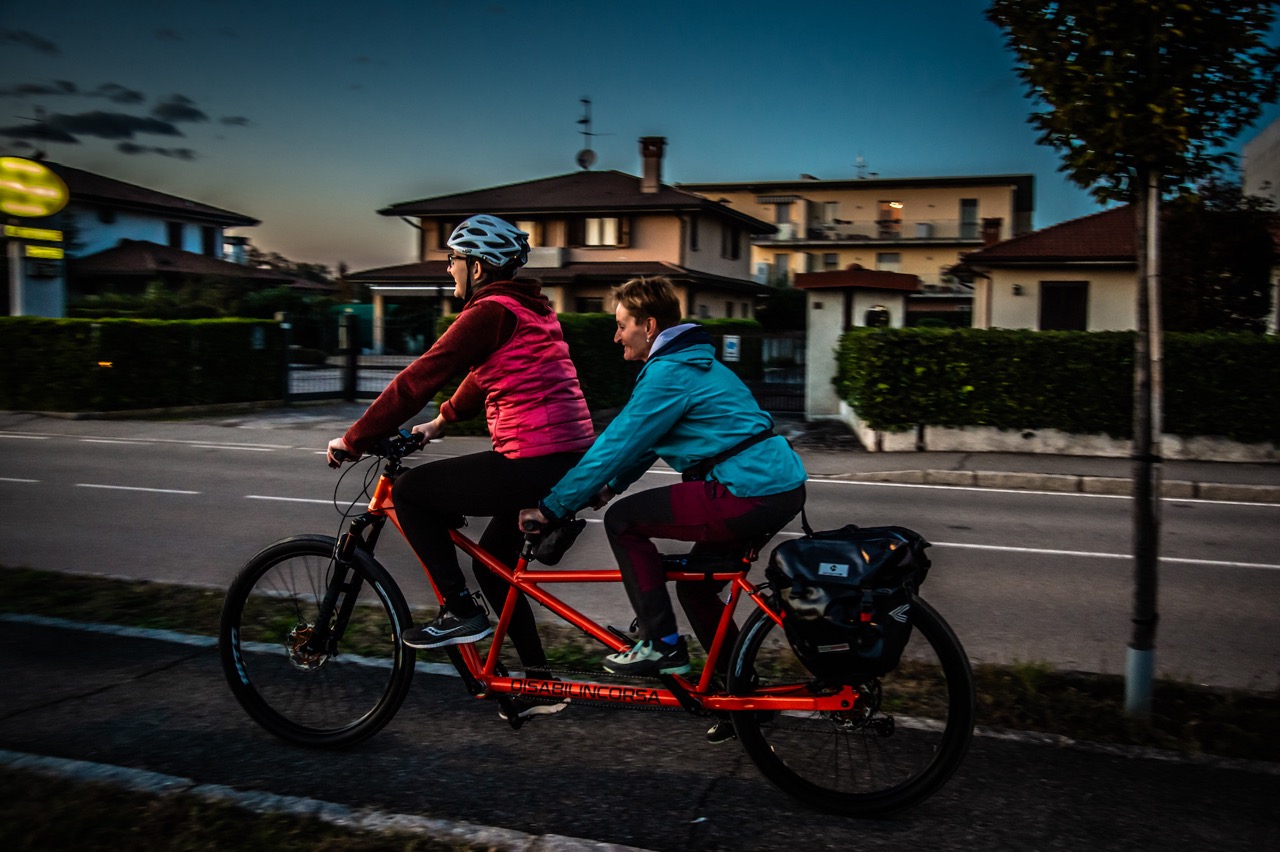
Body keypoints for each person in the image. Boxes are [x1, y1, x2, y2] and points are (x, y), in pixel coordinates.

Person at [327, 214, 594, 704]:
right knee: (494, 565)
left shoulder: (488, 311)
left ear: (477, 266)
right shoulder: (530, 307)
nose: (449, 269)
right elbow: (486, 370)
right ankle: (539, 681)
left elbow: (418, 379)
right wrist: (442, 420)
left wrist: (355, 439)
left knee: (409, 491)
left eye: (454, 260)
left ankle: (458, 610)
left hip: (533, 457)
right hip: (566, 455)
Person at [519, 276, 806, 688]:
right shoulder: (692, 362)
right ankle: (737, 692)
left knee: (624, 523)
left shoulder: (669, 372)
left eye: (621, 325)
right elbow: (647, 443)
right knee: (697, 589)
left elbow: (617, 443)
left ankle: (660, 642)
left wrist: (553, 506)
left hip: (746, 490)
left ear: (649, 326)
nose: (616, 337)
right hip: (776, 486)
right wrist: (609, 486)